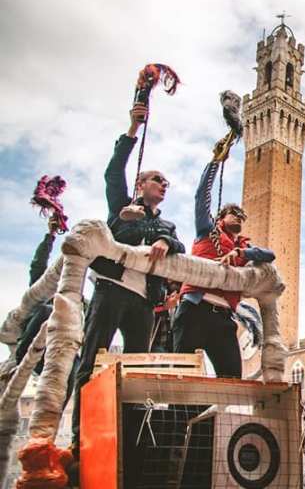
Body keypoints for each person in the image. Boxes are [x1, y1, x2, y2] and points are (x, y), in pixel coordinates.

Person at [71, 102, 185, 450]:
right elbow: (112, 172)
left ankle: (130, 441)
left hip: (143, 302)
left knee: (135, 370)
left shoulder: (165, 223)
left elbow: (178, 243)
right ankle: (81, 437)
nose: (163, 184)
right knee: (91, 360)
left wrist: (165, 239)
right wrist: (132, 130)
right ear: (141, 182)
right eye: (156, 179)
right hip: (111, 290)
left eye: (166, 182)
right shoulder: (122, 205)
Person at [173, 141, 275, 378]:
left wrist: (241, 253)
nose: (239, 217)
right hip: (195, 310)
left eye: (242, 216)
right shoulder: (206, 230)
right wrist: (215, 163)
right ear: (221, 216)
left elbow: (269, 255)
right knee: (182, 376)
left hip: (224, 319)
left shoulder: (243, 246)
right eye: (234, 213)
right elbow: (202, 197)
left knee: (231, 379)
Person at [15, 215, 62, 373]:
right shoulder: (44, 290)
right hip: (31, 346)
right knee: (48, 310)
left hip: (55, 355)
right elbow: (38, 264)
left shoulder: (78, 302)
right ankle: (26, 350)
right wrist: (50, 235)